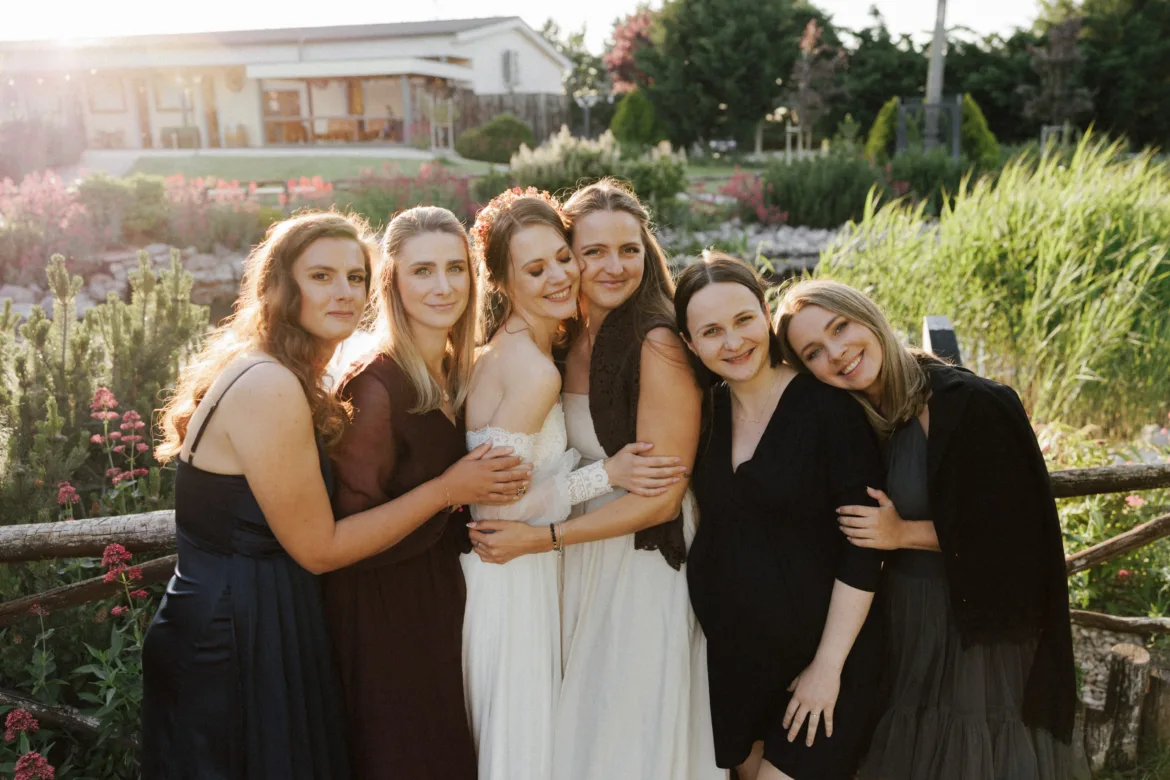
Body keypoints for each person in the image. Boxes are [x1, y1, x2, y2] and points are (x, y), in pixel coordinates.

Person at [142, 211, 528, 779]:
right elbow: (319, 549)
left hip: (264, 615)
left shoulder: (286, 370)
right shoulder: (270, 384)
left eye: (354, 277)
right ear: (281, 286)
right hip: (233, 633)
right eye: (321, 276)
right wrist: (448, 488)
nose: (343, 291)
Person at [776, 278, 1075, 780]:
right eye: (814, 352)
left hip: (975, 629)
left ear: (868, 316)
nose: (837, 352)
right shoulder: (851, 419)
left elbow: (1019, 535)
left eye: (840, 327)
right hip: (903, 623)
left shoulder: (972, 403)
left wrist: (901, 533)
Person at [460, 187, 680, 780]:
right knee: (526, 746)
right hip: (519, 570)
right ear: (503, 280)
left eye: (562, 258)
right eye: (537, 269)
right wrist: (604, 474)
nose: (561, 276)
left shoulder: (512, 349)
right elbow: (498, 511)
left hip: (542, 567)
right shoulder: (537, 368)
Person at [322, 207, 529, 779]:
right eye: (423, 271)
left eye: (455, 268)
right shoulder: (374, 384)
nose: (444, 286)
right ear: (391, 281)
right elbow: (344, 537)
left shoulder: (459, 371)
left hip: (444, 598)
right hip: (386, 612)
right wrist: (447, 489)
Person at [673, 253, 885, 780]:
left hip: (823, 664)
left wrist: (827, 668)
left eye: (744, 320)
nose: (733, 342)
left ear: (766, 313)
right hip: (736, 666)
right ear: (690, 344)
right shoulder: (704, 412)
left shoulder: (829, 408)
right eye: (711, 331)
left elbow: (863, 548)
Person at [553, 178, 722, 780]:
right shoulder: (561, 334)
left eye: (628, 249)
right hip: (580, 553)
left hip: (638, 560)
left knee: (627, 727)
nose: (614, 266)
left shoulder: (657, 341)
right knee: (581, 726)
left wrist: (542, 539)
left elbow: (661, 501)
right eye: (593, 251)